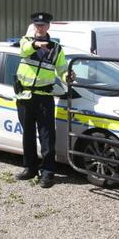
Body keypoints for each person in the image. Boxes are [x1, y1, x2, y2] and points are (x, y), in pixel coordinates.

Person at [13, 12, 74, 188]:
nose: (39, 28)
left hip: (44, 97)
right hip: (25, 96)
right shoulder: (26, 41)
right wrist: (35, 44)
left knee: (47, 136)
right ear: (33, 26)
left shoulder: (56, 48)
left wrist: (67, 75)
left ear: (48, 26)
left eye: (42, 25)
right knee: (28, 135)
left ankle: (47, 172)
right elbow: (24, 50)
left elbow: (61, 68)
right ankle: (29, 168)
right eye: (36, 25)